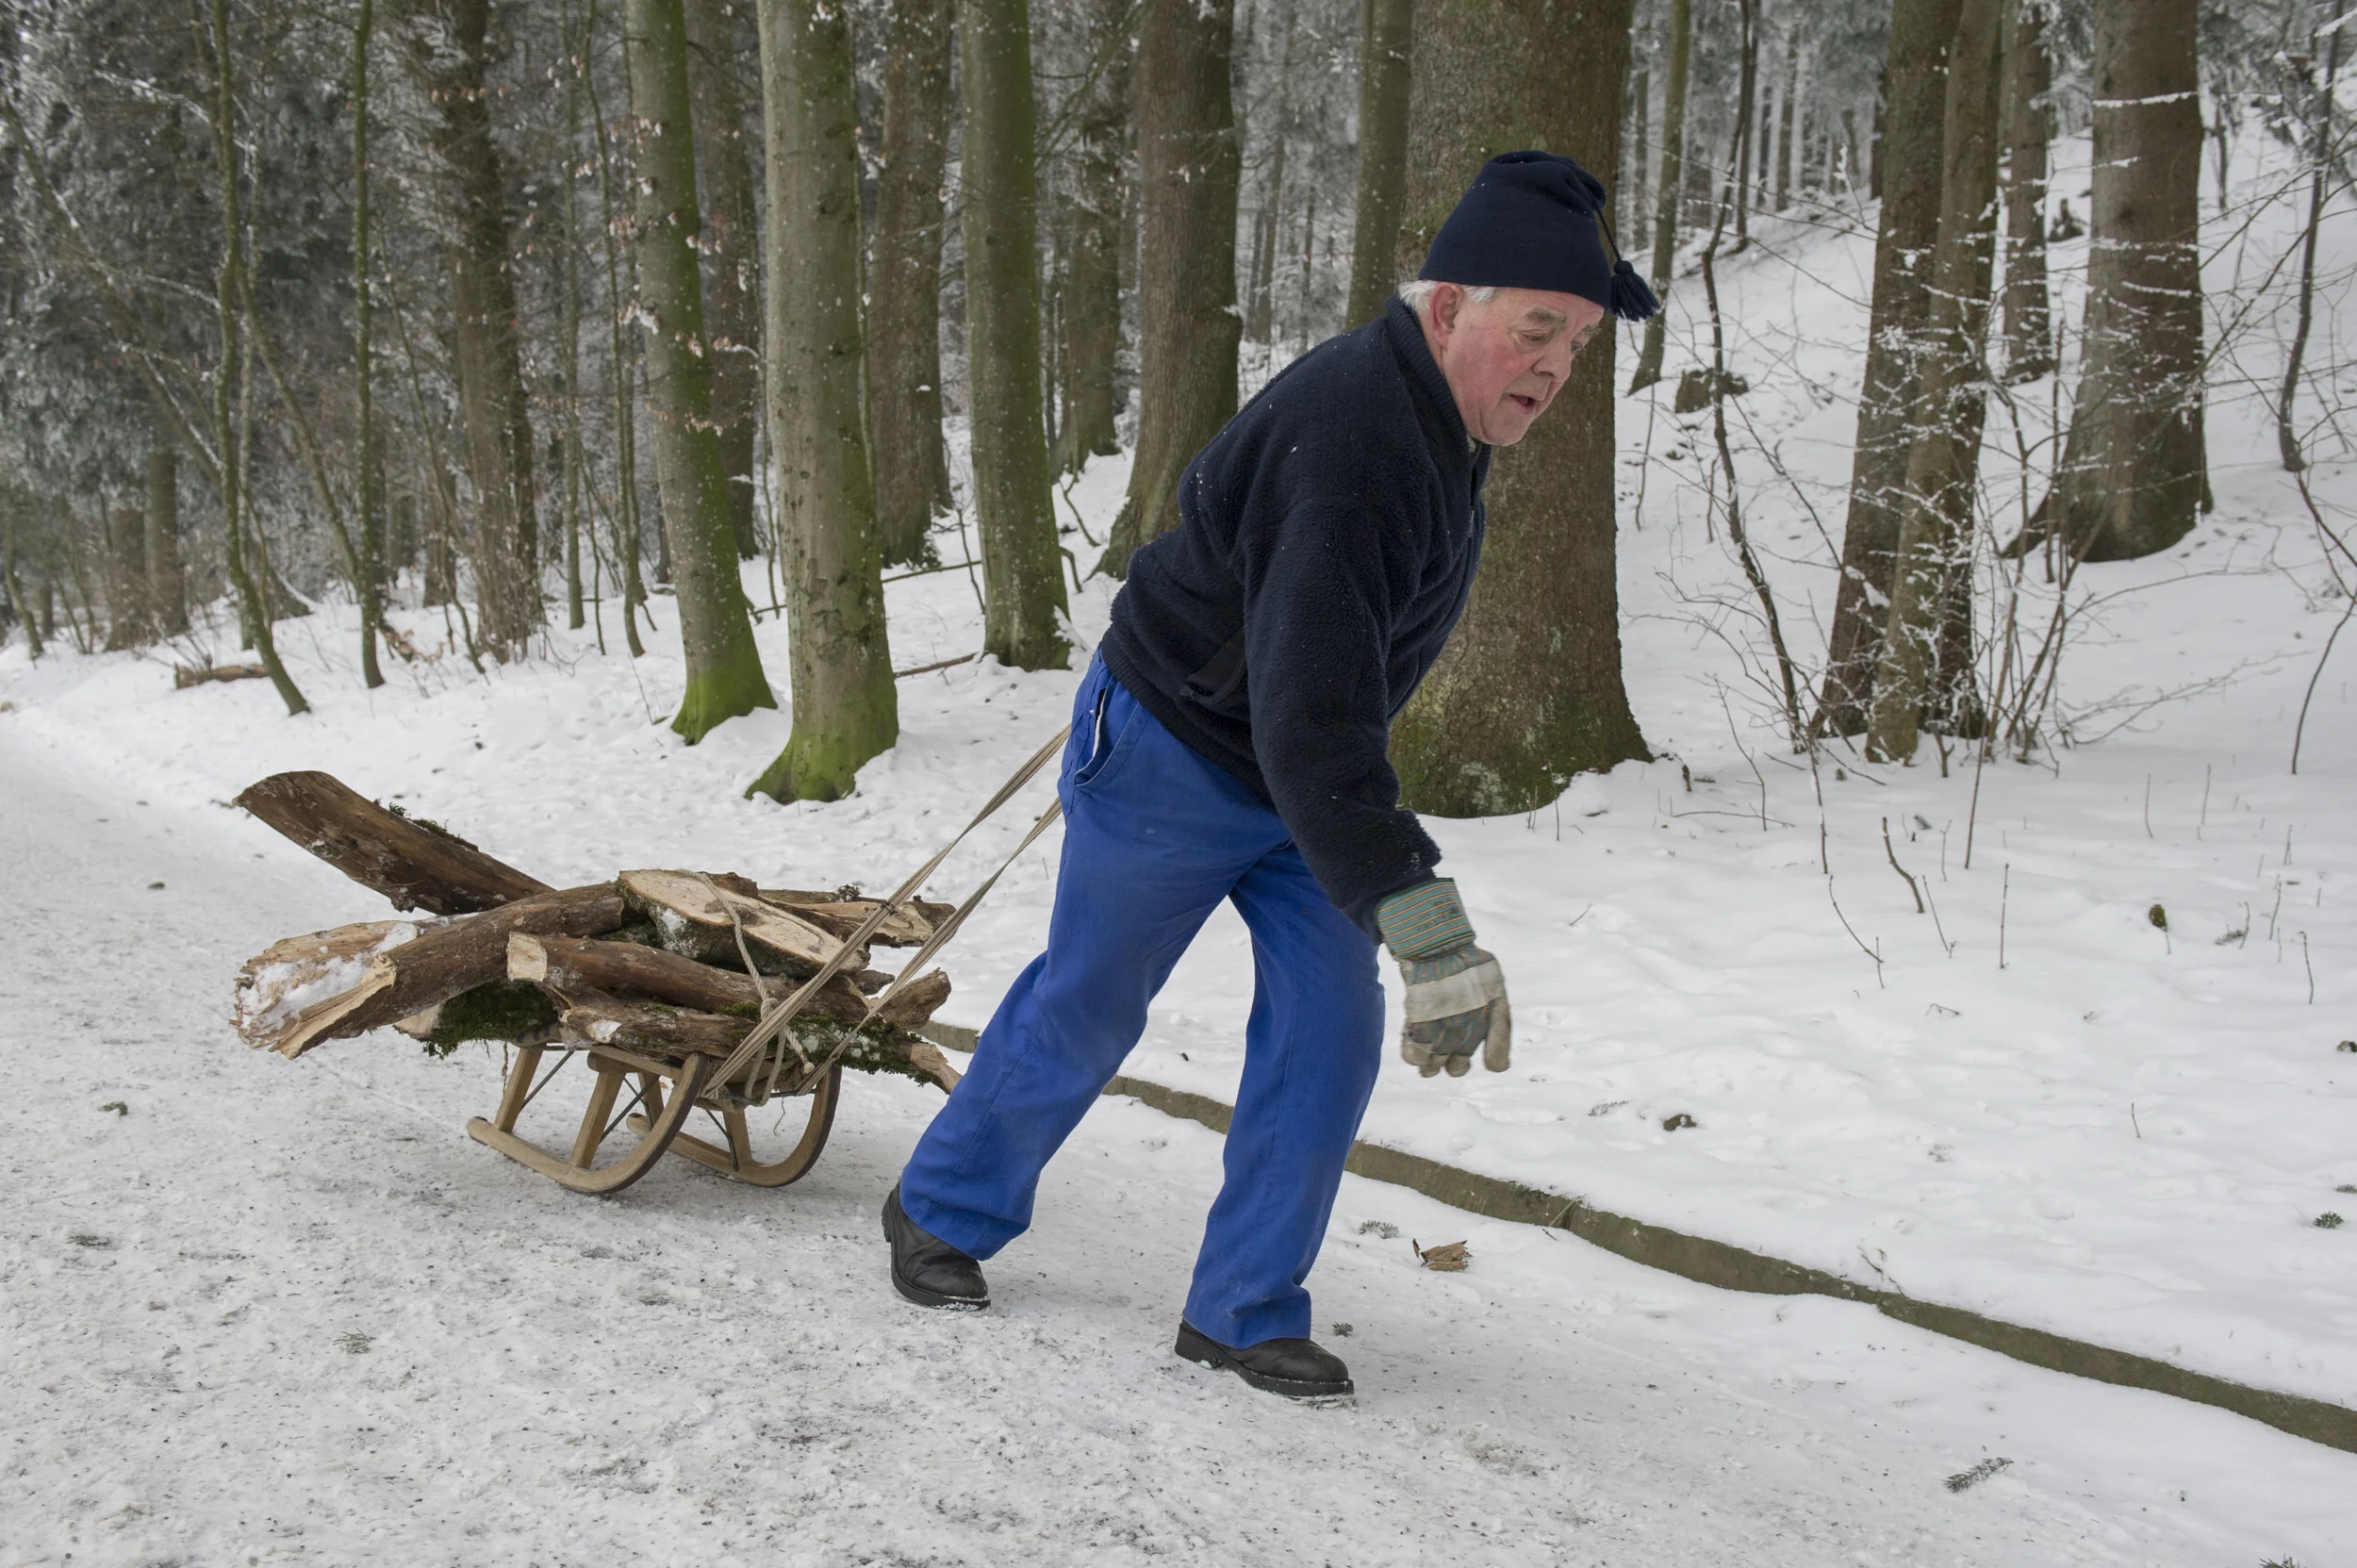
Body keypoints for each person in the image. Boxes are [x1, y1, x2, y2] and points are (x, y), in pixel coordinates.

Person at [882, 151, 1660, 1402]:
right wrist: (1423, 915)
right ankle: (942, 1205)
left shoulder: (1436, 415)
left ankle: (1244, 1307)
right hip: (1176, 753)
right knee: (1095, 994)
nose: (1558, 364)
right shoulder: (1357, 434)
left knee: (1328, 1027)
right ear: (1450, 306)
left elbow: (1321, 709)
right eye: (1537, 328)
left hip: (1304, 779)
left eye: (1575, 339)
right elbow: (1310, 708)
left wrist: (1388, 890)